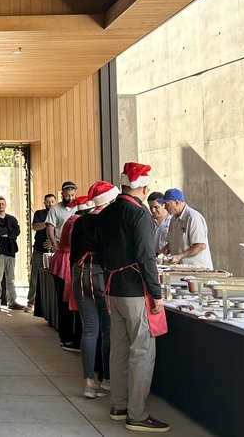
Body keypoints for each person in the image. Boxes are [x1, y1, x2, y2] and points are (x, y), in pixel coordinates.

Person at [98, 162, 170, 432]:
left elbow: (102, 252)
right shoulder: (139, 214)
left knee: (118, 349)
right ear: (142, 187)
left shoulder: (107, 212)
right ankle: (137, 413)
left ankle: (118, 404)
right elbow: (145, 256)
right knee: (141, 352)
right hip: (135, 290)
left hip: (113, 287)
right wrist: (156, 292)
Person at [71, 181, 119, 399]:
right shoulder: (111, 221)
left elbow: (73, 253)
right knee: (107, 329)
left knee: (89, 329)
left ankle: (89, 383)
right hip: (103, 275)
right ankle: (108, 379)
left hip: (81, 274)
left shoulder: (80, 222)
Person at [48, 196, 89, 352]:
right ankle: (67, 337)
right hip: (66, 262)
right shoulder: (75, 222)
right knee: (67, 303)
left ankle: (65, 336)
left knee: (64, 302)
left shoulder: (72, 220)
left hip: (63, 260)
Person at [158, 188, 213, 269]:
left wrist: (179, 256)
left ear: (176, 203)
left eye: (166, 204)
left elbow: (200, 246)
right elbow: (171, 245)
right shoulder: (173, 219)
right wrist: (157, 255)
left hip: (198, 269)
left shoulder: (193, 217)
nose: (165, 207)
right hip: (181, 269)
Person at [26, 193, 56, 313]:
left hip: (54, 248)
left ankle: (51, 303)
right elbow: (35, 227)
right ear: (45, 203)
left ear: (55, 201)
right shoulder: (39, 213)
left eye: (52, 201)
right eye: (48, 201)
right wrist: (48, 223)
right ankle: (30, 302)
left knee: (53, 275)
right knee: (35, 275)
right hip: (39, 248)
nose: (50, 203)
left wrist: (53, 243)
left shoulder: (59, 212)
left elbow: (61, 227)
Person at [45, 181, 78, 251]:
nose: (70, 198)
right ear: (62, 195)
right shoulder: (54, 209)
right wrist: (54, 244)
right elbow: (50, 228)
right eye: (67, 195)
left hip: (78, 243)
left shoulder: (80, 207)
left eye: (72, 195)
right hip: (61, 245)